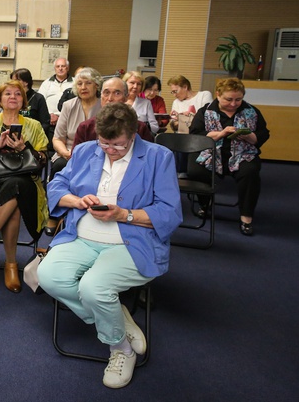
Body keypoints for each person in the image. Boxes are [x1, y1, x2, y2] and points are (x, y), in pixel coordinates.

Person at [39, 103, 182, 389]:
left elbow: (170, 213)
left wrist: (124, 215)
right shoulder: (85, 150)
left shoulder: (158, 157)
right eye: (104, 143)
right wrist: (77, 200)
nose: (109, 150)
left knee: (94, 288)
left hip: (131, 243)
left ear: (133, 135)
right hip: (81, 237)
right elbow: (56, 186)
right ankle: (119, 319)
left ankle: (121, 349)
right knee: (48, 276)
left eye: (117, 145)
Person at [0, 80, 49, 292]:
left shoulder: (34, 126)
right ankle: (10, 264)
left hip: (27, 184)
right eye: (8, 94)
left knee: (17, 186)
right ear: (0, 100)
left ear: (23, 101)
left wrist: (25, 148)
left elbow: (43, 160)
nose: (13, 97)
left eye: (18, 94)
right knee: (15, 201)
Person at [188, 78, 269, 236]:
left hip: (242, 154)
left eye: (238, 100)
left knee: (250, 172)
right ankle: (204, 204)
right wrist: (221, 134)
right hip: (211, 153)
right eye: (228, 99)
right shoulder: (205, 111)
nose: (233, 104)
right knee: (196, 171)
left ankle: (246, 217)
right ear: (218, 95)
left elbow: (263, 134)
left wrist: (250, 136)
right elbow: (195, 135)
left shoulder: (252, 111)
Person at [48, 67, 102, 234]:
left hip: (99, 154)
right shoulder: (68, 105)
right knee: (59, 166)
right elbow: (57, 138)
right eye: (79, 84)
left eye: (88, 83)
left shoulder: (104, 106)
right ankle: (54, 213)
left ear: (97, 86)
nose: (83, 87)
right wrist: (67, 153)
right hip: (68, 152)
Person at [74, 78, 154, 146]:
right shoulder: (85, 128)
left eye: (117, 93)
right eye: (106, 93)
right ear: (101, 96)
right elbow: (76, 158)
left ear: (126, 97)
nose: (110, 98)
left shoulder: (140, 128)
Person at [38, 57, 73, 134]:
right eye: (58, 66)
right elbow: (40, 102)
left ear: (67, 68)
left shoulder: (75, 83)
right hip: (49, 121)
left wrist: (60, 117)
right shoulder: (46, 83)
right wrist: (49, 115)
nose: (60, 68)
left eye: (63, 66)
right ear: (55, 68)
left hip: (69, 121)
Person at [11, 68, 50, 133]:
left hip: (34, 133)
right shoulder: (12, 98)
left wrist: (36, 134)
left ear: (26, 82)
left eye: (16, 80)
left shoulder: (38, 98)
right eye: (12, 81)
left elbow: (45, 123)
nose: (13, 83)